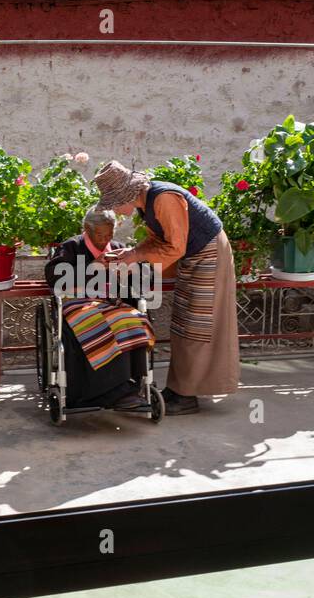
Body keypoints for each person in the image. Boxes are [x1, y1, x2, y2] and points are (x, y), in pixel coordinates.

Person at [93, 161, 240, 415]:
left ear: (127, 195)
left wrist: (136, 256)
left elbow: (174, 247)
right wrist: (131, 253)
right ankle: (179, 388)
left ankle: (186, 396)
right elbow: (158, 240)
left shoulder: (163, 199)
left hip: (209, 255)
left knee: (197, 324)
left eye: (115, 204)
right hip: (195, 256)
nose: (115, 211)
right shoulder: (147, 203)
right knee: (183, 322)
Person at [44, 208, 154, 411]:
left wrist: (132, 269)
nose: (105, 240)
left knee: (132, 321)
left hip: (111, 303)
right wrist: (91, 267)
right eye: (100, 235)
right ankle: (112, 392)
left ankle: (133, 387)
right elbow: (54, 278)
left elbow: (145, 282)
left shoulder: (119, 248)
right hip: (77, 303)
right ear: (87, 229)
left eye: (109, 234)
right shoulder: (71, 247)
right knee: (98, 324)